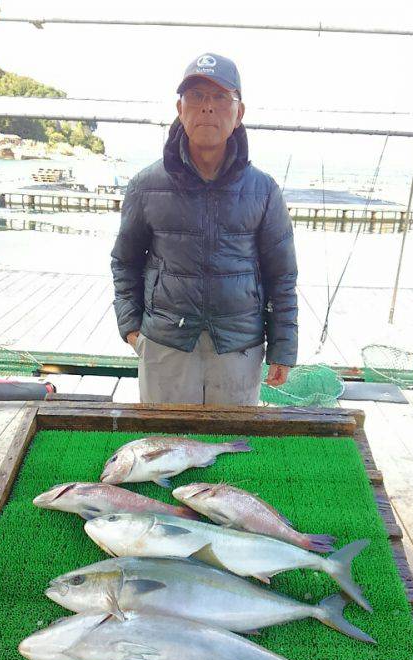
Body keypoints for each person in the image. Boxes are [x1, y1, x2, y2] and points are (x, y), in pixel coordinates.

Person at [111, 53, 298, 405]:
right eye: (196, 96)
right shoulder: (145, 185)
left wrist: (283, 347)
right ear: (180, 109)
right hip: (165, 345)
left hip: (239, 348)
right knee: (163, 448)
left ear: (239, 112)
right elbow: (124, 261)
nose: (207, 108)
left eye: (219, 97)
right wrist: (131, 326)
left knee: (231, 449)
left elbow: (282, 275)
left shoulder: (264, 190)